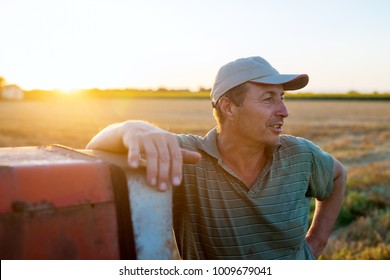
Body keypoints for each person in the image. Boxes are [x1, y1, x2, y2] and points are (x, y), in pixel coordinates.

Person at [86, 56, 346, 260]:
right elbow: (93, 150)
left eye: (282, 98)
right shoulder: (188, 157)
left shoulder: (300, 154)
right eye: (269, 99)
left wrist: (315, 245)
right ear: (228, 107)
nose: (284, 111)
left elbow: (338, 175)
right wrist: (132, 128)